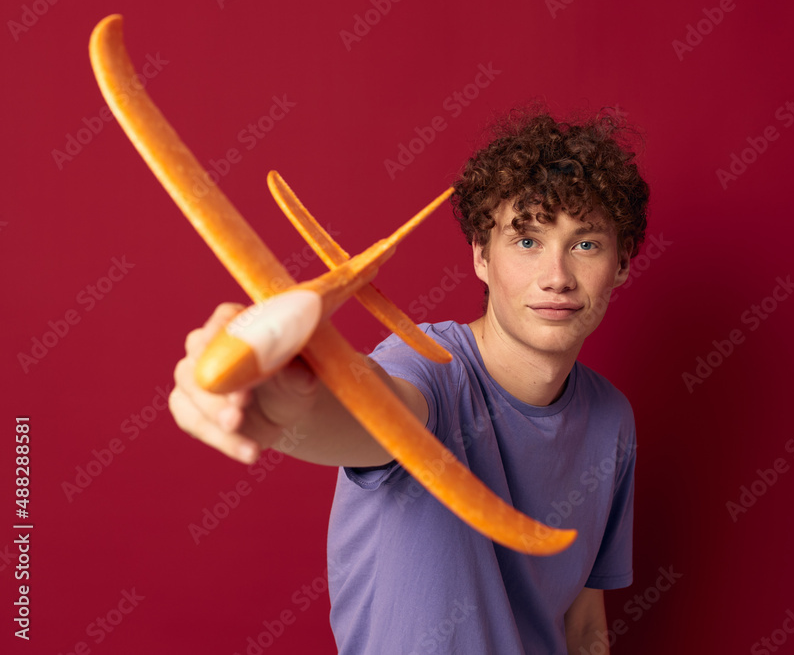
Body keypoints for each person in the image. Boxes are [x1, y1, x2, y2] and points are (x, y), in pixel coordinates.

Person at [169, 106, 650, 654]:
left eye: (585, 244)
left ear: (623, 263)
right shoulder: (427, 371)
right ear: (481, 257)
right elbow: (369, 410)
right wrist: (279, 402)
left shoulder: (613, 420)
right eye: (526, 241)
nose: (557, 277)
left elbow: (585, 624)